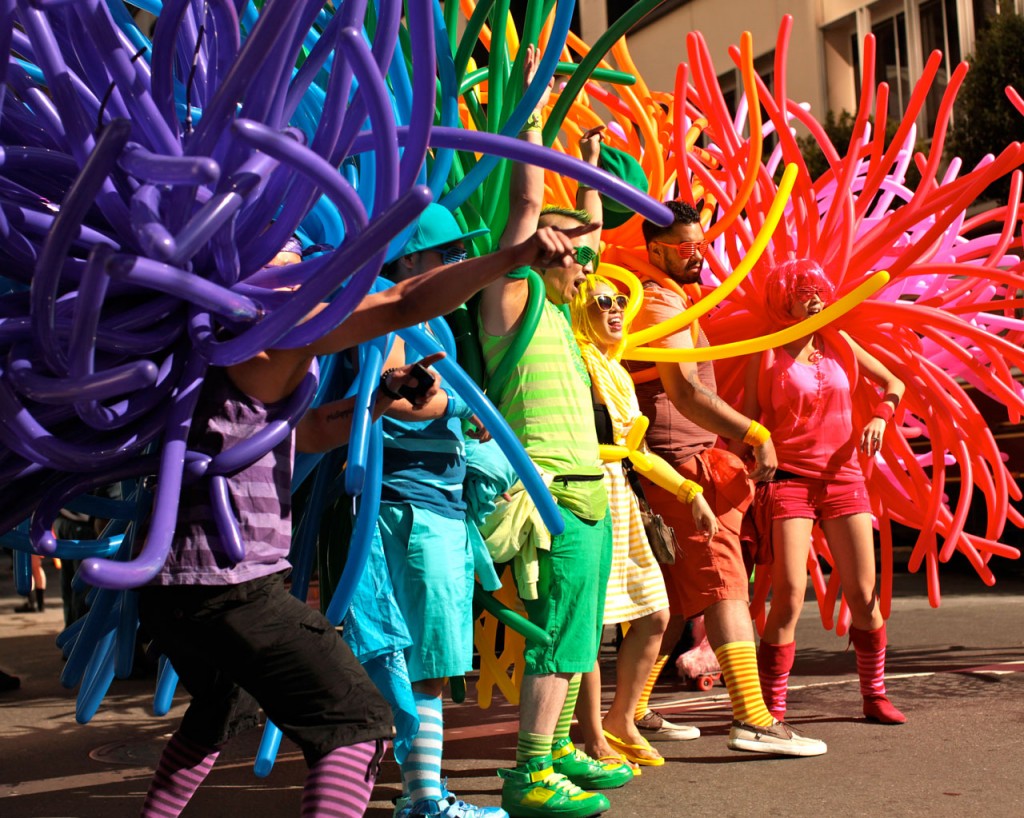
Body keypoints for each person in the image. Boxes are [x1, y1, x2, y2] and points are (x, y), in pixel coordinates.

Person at [135, 217, 586, 818]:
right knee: (356, 721)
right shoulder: (270, 337)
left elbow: (313, 431)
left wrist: (378, 400)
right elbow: (407, 298)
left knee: (223, 707)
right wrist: (516, 256)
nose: (304, 280)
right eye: (287, 265)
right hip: (232, 583)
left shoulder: (203, 350)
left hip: (169, 586)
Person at [476, 45, 630, 818]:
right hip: (549, 496)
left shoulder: (570, 319)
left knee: (576, 638)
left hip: (589, 494)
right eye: (571, 248)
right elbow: (529, 213)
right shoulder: (508, 298)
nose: (582, 257)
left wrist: (594, 157)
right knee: (554, 636)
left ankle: (562, 744)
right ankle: (529, 773)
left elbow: (589, 224)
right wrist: (532, 124)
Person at [624, 201, 827, 756]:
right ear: (656, 249)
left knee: (672, 597)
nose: (700, 256)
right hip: (678, 464)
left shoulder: (668, 295)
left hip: (677, 461)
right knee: (724, 583)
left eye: (703, 243)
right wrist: (756, 431)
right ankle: (752, 719)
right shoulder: (660, 299)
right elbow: (686, 393)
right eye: (688, 248)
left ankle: (633, 709)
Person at [361, 205, 510, 818]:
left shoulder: (435, 325)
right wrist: (448, 406)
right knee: (425, 662)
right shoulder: (391, 310)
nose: (457, 264)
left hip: (427, 509)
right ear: (409, 261)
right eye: (446, 253)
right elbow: (394, 395)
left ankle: (416, 793)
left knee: (417, 659)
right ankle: (424, 800)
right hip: (416, 512)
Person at [734, 258, 906, 725]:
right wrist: (737, 465)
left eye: (819, 289)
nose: (815, 298)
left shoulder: (840, 342)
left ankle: (874, 694)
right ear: (782, 298)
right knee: (789, 593)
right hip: (788, 479)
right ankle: (770, 710)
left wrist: (879, 417)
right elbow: (747, 418)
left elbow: (894, 383)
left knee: (864, 595)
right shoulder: (765, 353)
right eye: (803, 290)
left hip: (844, 477)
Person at [569, 270, 718, 769]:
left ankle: (621, 718)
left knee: (654, 614)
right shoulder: (576, 363)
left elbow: (637, 449)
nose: (614, 310)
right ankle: (592, 735)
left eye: (619, 303)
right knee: (588, 626)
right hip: (587, 497)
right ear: (578, 309)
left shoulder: (615, 371)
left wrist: (688, 490)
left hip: (623, 496)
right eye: (601, 301)